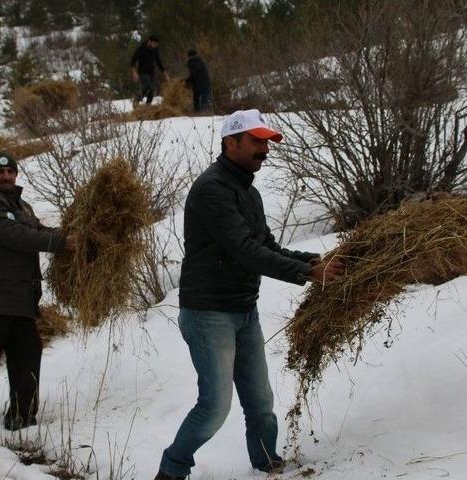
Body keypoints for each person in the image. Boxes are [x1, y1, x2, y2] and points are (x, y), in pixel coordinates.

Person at [154, 110, 346, 480]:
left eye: (267, 142)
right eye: (256, 141)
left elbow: (265, 246)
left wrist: (314, 260)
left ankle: (267, 464)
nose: (264, 149)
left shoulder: (247, 192)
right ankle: (171, 470)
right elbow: (245, 250)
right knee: (214, 406)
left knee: (260, 400)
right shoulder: (212, 189)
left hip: (243, 309)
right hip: (208, 313)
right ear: (231, 142)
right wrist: (308, 273)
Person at [0, 152, 77, 429]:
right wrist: (62, 243)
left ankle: (22, 417)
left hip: (18, 298)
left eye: (11, 171)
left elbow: (39, 230)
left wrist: (70, 235)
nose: (6, 176)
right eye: (0, 172)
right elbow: (16, 236)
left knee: (28, 353)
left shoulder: (22, 206)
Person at [131, 35, 168, 105]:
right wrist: (134, 72)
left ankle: (147, 106)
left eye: (156, 45)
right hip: (142, 72)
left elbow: (158, 61)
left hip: (151, 72)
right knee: (149, 88)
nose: (155, 46)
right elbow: (133, 60)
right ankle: (136, 99)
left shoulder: (155, 49)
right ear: (149, 41)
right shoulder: (141, 48)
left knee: (151, 91)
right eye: (154, 44)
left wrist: (164, 73)